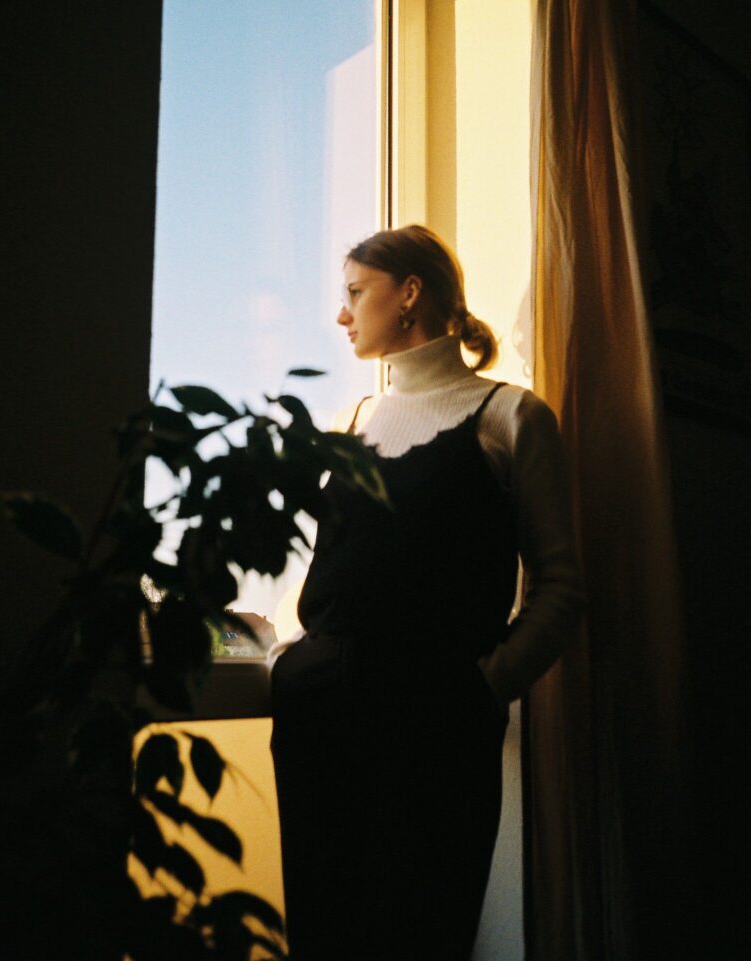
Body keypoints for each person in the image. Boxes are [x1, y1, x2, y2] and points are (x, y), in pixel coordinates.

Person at [269, 224, 584, 961]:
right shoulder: (347, 423)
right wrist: (291, 655)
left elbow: (561, 586)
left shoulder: (512, 416)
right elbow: (329, 570)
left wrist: (483, 689)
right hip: (319, 717)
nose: (342, 316)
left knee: (424, 929)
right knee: (322, 933)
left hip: (434, 724)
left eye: (354, 294)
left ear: (409, 292)